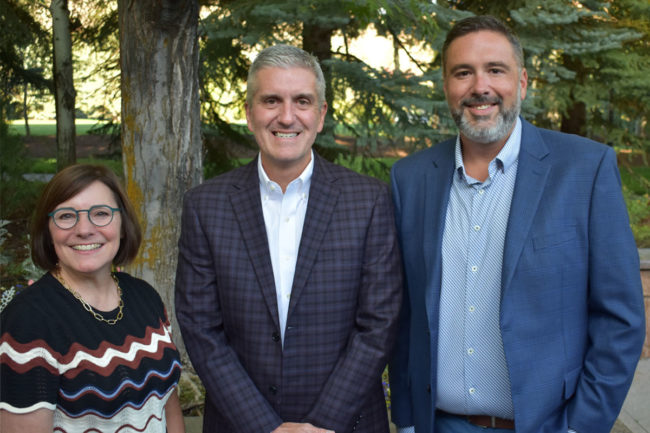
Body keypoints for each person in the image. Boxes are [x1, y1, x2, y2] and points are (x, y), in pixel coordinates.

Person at [389, 15, 645, 433]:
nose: (480, 87)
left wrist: (581, 426)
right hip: (437, 425)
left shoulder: (585, 169)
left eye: (495, 70)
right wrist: (407, 420)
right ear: (447, 86)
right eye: (463, 73)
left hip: (547, 425)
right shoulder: (409, 179)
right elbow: (403, 316)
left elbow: (621, 318)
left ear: (522, 82)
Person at [175, 44, 403, 433]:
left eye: (302, 101)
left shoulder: (368, 200)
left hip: (345, 423)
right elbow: (201, 329)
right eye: (270, 100)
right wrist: (267, 428)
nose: (286, 116)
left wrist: (322, 423)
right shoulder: (205, 206)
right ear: (249, 113)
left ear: (321, 115)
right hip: (240, 424)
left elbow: (379, 324)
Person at [0, 164, 184, 433]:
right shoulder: (28, 323)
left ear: (123, 225)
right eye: (66, 216)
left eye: (101, 213)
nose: (84, 229)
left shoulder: (145, 297)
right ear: (48, 231)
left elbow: (168, 403)